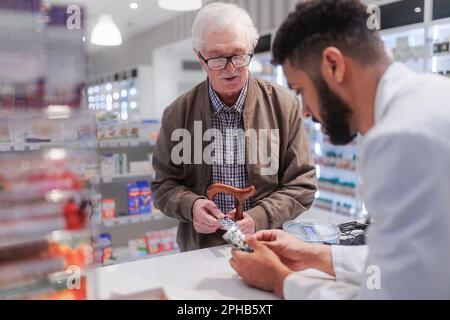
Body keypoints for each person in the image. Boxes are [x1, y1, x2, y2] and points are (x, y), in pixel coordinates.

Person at [230, 0, 450, 299]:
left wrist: (280, 280)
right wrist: (315, 255)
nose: (305, 110)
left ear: (333, 65)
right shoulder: (431, 96)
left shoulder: (399, 137)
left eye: (301, 90)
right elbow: (408, 263)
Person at [151, 2, 317, 252]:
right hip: (199, 250)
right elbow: (163, 186)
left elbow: (302, 184)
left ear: (252, 47)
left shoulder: (285, 107)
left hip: (265, 245)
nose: (231, 69)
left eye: (239, 55)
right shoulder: (177, 115)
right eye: (217, 58)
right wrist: (192, 205)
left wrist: (259, 217)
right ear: (200, 56)